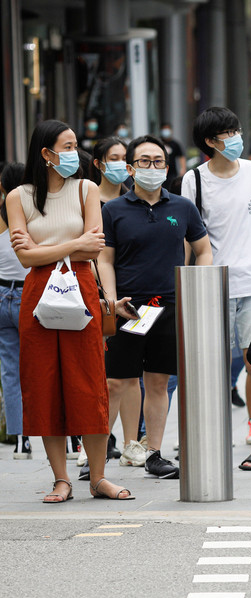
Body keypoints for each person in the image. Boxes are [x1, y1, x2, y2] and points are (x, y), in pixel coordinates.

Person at [4, 119, 135, 502]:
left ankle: (97, 478)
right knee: (44, 385)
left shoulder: (86, 190)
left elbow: (93, 248)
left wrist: (50, 247)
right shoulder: (19, 196)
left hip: (80, 288)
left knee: (89, 383)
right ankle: (61, 479)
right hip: (38, 293)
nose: (74, 153)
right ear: (45, 154)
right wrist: (70, 244)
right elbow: (25, 258)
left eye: (75, 145)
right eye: (66, 146)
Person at [100, 134, 213, 479]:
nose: (152, 167)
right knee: (116, 382)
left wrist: (198, 288)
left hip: (168, 305)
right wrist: (111, 300)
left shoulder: (182, 207)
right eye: (145, 161)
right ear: (132, 168)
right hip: (129, 307)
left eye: (158, 161)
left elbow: (204, 249)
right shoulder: (113, 210)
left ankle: (153, 453)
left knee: (159, 381)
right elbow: (105, 259)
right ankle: (98, 451)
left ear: (168, 166)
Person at [181, 107, 251, 471]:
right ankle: (211, 443)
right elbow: (190, 239)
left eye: (237, 129)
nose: (236, 137)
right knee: (212, 368)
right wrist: (187, 283)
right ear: (210, 142)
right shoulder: (195, 180)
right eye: (228, 132)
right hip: (211, 285)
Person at [0, 163, 30, 459]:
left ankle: (21, 439)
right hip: (29, 292)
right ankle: (71, 439)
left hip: (0, 294)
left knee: (10, 371)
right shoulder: (30, 213)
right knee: (41, 366)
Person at [93, 137, 129, 204]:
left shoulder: (134, 200)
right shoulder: (88, 200)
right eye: (114, 159)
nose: (121, 163)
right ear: (98, 164)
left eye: (125, 159)